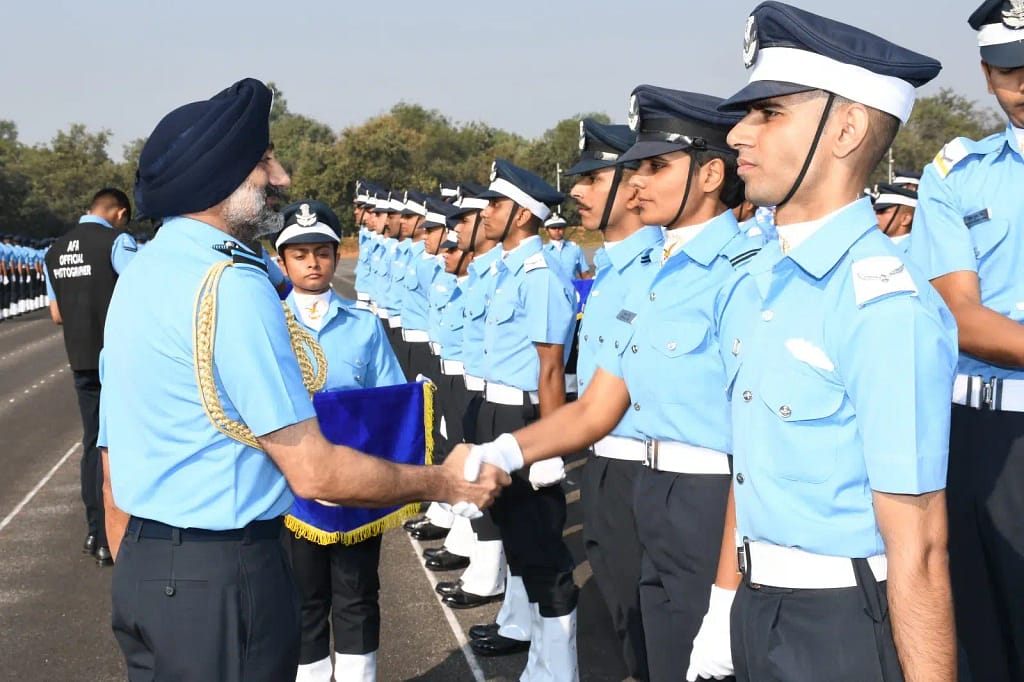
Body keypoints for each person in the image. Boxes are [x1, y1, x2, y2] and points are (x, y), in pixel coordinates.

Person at [97, 78, 508, 682]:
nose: (281, 177)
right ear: (221, 177)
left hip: (144, 567)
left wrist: (149, 570)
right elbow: (314, 470)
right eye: (263, 160)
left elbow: (109, 459)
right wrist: (444, 482)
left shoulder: (140, 272)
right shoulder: (232, 286)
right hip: (224, 576)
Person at [681, 3, 957, 680]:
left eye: (768, 113)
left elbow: (919, 547)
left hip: (839, 624)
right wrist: (722, 612)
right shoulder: (761, 282)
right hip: (757, 604)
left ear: (846, 129)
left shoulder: (885, 306)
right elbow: (751, 466)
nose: (738, 134)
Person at [462, 88, 754, 682]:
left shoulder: (746, 274)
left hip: (712, 498)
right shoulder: (662, 274)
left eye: (654, 166)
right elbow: (600, 400)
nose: (636, 180)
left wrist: (730, 590)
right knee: (645, 652)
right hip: (644, 487)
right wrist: (504, 452)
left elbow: (758, 438)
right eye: (634, 166)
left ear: (711, 174)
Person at [910, 2, 1024, 678]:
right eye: (1012, 69)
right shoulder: (956, 173)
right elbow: (961, 314)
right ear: (986, 75)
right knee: (982, 641)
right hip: (976, 439)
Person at [273, 199, 405, 682]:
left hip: (353, 487)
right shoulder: (268, 326)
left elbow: (390, 401)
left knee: (356, 593)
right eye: (300, 253)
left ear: (335, 255)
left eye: (322, 252)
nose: (312, 263)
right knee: (301, 596)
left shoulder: (364, 325)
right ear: (282, 260)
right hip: (289, 491)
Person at [564, 117, 662, 681]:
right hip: (603, 464)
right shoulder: (609, 268)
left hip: (645, 474)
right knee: (622, 622)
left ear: (633, 185)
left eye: (594, 178)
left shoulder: (658, 268)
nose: (576, 191)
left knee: (654, 636)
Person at [44, 187, 137, 566]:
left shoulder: (54, 251)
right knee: (123, 443)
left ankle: (94, 528)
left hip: (80, 357)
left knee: (92, 443)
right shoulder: (117, 242)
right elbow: (143, 287)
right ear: (119, 213)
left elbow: (56, 314)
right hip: (118, 358)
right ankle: (116, 532)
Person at [543, 213, 591, 279]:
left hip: (572, 288)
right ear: (546, 230)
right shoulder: (542, 251)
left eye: (560, 227)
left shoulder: (575, 249)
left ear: (565, 229)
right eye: (553, 227)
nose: (557, 230)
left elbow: (585, 275)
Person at [872, 182, 917, 253]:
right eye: (875, 211)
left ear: (905, 219)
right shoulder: (874, 246)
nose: (874, 215)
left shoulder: (916, 253)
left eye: (882, 211)